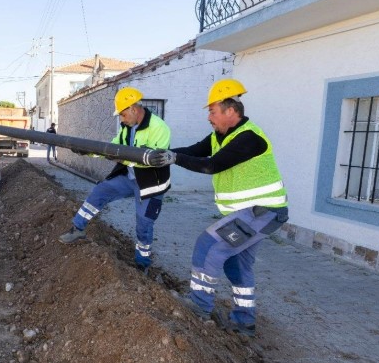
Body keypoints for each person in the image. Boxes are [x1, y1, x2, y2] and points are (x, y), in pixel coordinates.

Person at [164, 79, 289, 337]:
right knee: (236, 265)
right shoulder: (220, 136)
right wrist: (162, 153)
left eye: (212, 110)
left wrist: (174, 158)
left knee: (208, 245)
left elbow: (211, 165)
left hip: (262, 212)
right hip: (252, 214)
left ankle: (199, 306)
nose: (209, 117)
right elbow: (194, 151)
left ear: (231, 110)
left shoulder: (249, 138)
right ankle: (244, 322)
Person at [59, 87, 172, 273]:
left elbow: (149, 161)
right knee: (100, 191)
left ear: (134, 109)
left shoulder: (159, 128)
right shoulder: (127, 127)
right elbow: (113, 147)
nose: (121, 119)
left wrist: (119, 158)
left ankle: (142, 264)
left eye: (122, 114)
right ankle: (77, 228)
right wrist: (89, 150)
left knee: (144, 224)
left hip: (151, 184)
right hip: (129, 177)